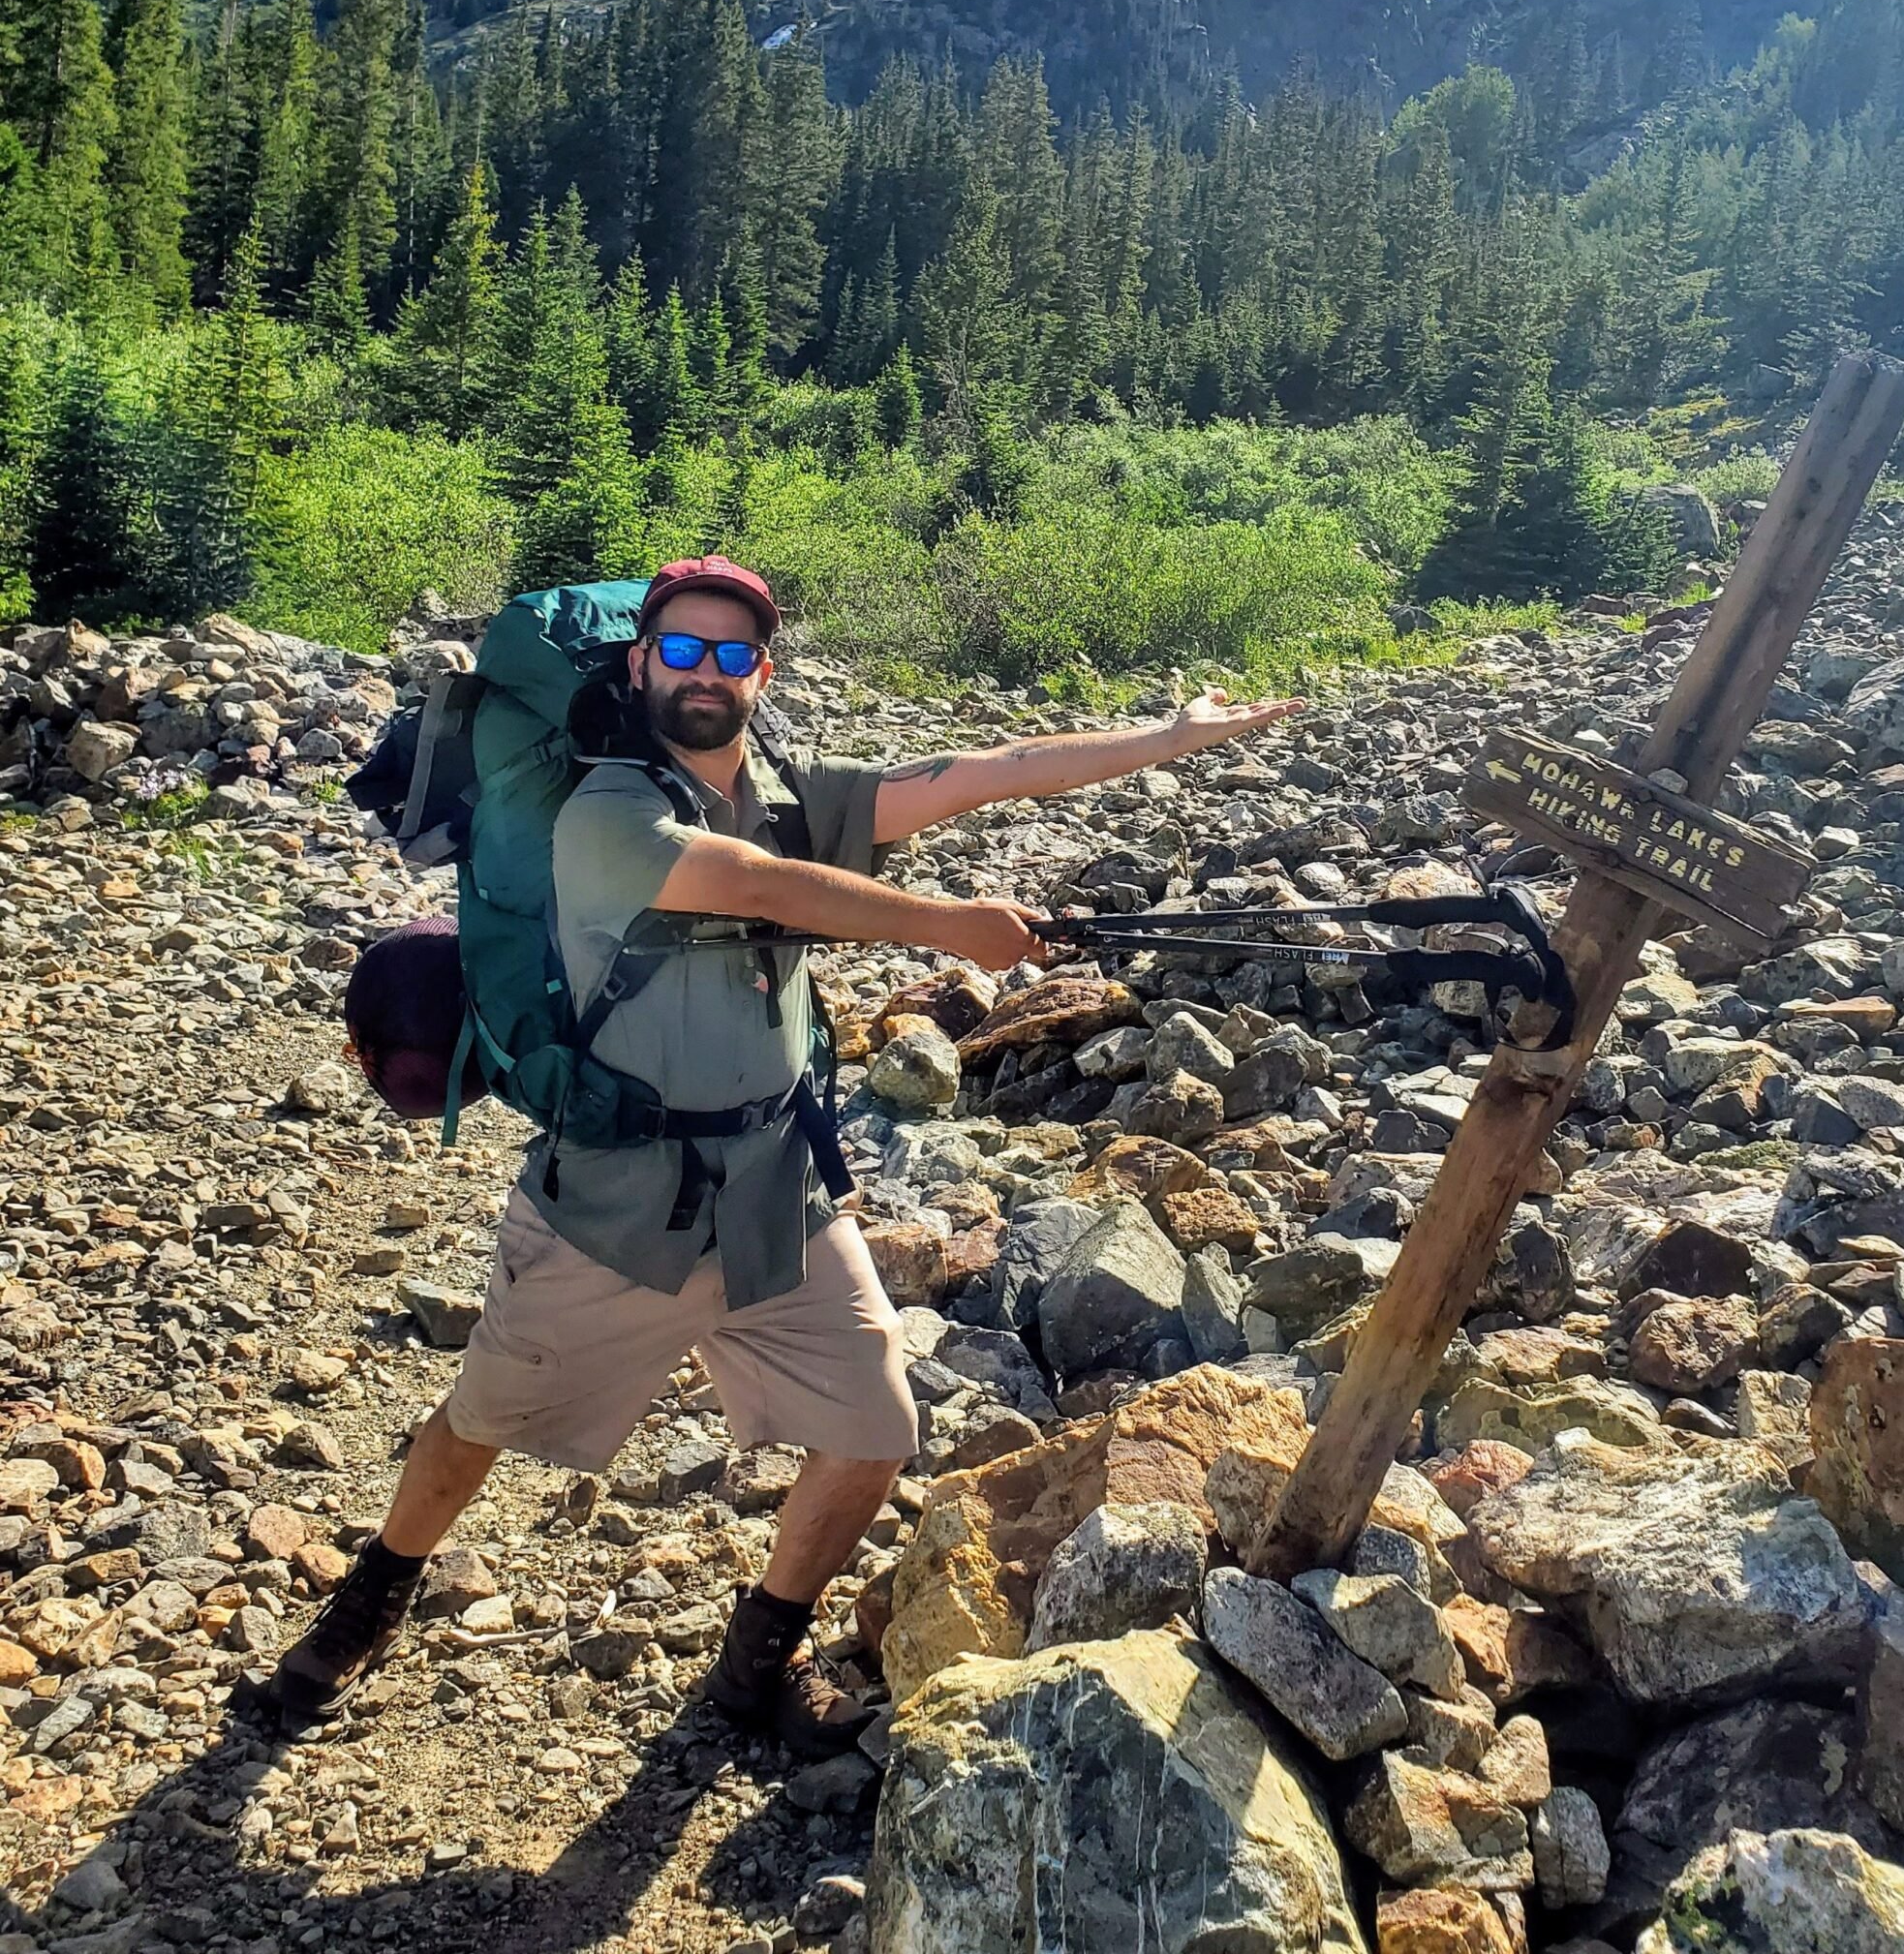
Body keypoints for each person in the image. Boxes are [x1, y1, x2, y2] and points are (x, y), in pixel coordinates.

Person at [261, 555, 1301, 1748]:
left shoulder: (783, 789)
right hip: (614, 1205)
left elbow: (978, 774)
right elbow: (759, 886)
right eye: (684, 650)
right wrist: (945, 926)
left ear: (761, 672)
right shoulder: (600, 813)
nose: (707, 673)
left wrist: (1164, 736)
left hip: (778, 1192)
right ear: (642, 662)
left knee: (873, 1432)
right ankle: (372, 1595)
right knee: (480, 1420)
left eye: (732, 653)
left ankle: (754, 1662)